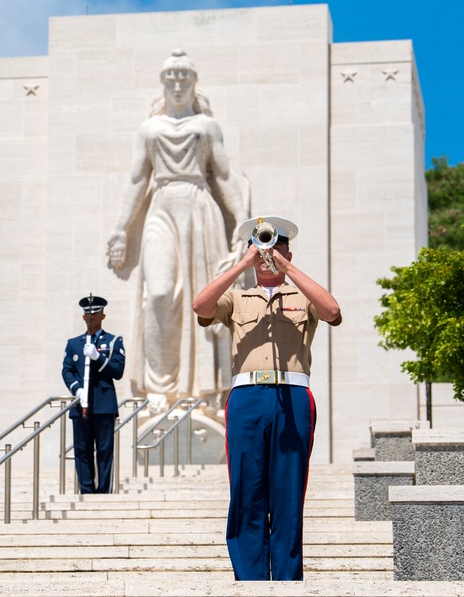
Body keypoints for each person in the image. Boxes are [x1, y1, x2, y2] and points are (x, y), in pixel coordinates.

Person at [192, 215, 342, 581]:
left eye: (275, 246)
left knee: (288, 490)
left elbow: (333, 311)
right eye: (260, 246)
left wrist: (287, 266)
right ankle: (251, 578)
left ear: (288, 250)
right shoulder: (238, 299)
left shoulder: (301, 296)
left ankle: (288, 579)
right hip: (247, 397)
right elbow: (201, 306)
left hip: (292, 395)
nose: (267, 253)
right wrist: (244, 263)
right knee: (247, 490)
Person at [107, 48, 249, 409]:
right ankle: (160, 385)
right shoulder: (149, 129)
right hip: (162, 206)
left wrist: (244, 223)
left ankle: (199, 389)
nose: (178, 84)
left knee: (202, 299)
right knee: (158, 293)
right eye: (171, 77)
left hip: (200, 208)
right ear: (163, 83)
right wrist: (122, 229)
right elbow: (138, 178)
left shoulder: (207, 126)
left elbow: (226, 176)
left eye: (184, 77)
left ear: (194, 82)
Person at [61, 296, 126, 495]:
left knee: (105, 450)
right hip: (81, 405)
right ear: (83, 317)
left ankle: (104, 491)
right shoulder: (73, 344)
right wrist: (76, 389)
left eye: (95, 313)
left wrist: (99, 357)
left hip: (104, 404)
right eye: (88, 314)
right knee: (82, 450)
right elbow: (67, 370)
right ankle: (87, 490)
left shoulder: (113, 341)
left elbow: (118, 370)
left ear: (103, 315)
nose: (91, 317)